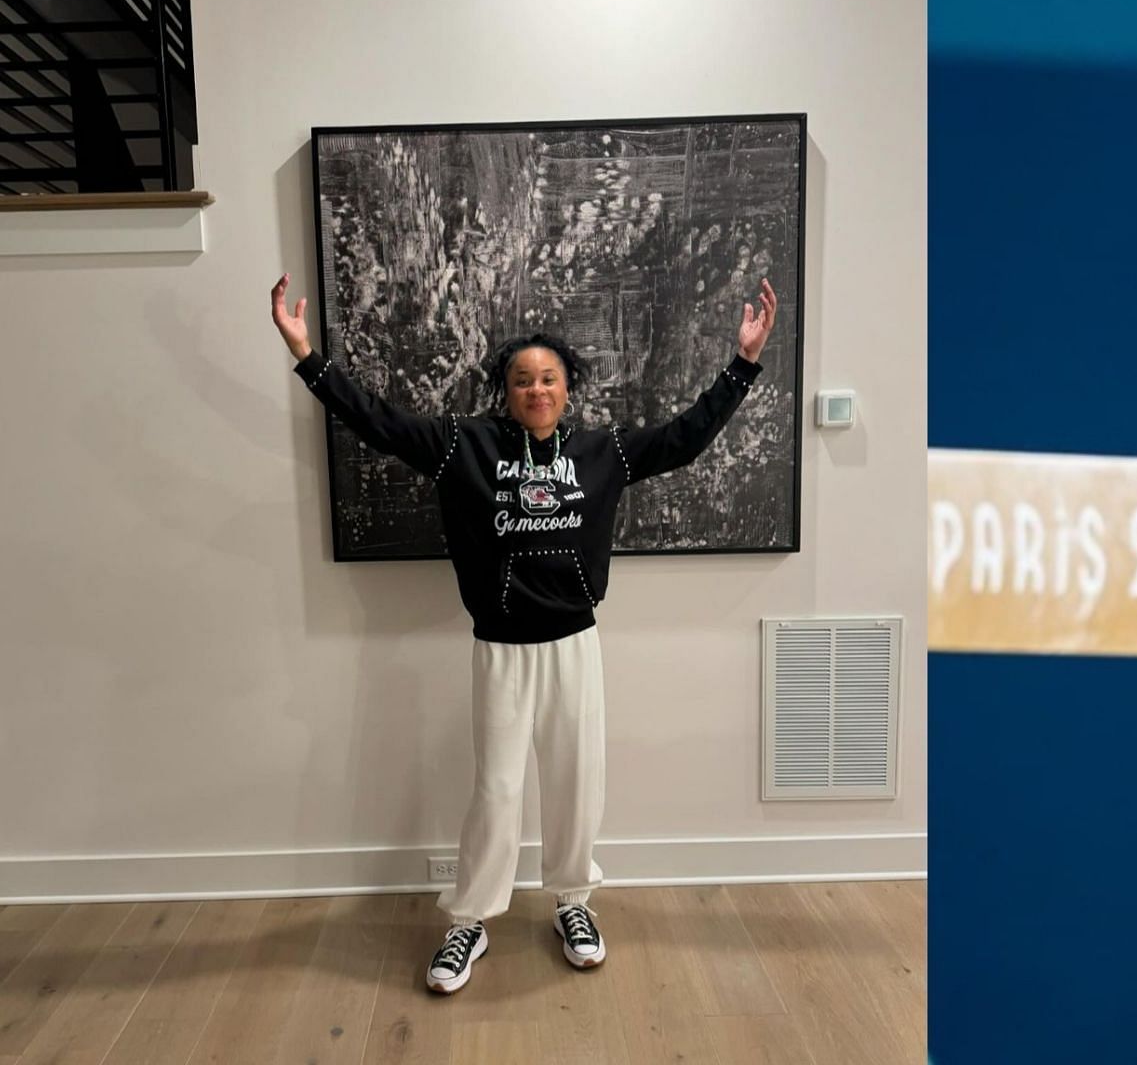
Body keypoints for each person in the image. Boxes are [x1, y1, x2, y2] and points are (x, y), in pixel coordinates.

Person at [271, 273, 777, 993]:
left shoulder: (606, 452)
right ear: (504, 391)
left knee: (577, 785)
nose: (536, 389)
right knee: (498, 790)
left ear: (568, 387)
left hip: (576, 645)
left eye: (549, 378)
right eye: (521, 380)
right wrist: (306, 354)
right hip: (502, 650)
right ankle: (470, 921)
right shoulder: (462, 447)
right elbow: (379, 422)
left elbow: (685, 440)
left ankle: (573, 902)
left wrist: (743, 365)